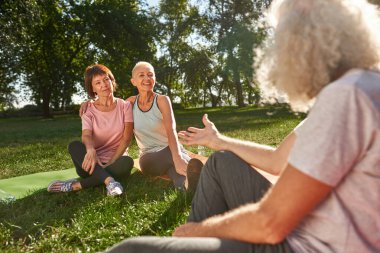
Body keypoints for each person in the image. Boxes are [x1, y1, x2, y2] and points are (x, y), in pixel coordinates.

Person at [104, 0, 380, 252]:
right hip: (312, 225)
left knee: (130, 249)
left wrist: (195, 231)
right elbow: (276, 161)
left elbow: (269, 223)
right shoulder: (362, 87)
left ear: (305, 43)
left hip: (304, 243)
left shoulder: (346, 97)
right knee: (220, 162)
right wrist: (218, 140)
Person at [80, 61, 204, 191]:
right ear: (133, 81)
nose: (147, 78)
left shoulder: (162, 100)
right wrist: (89, 102)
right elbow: (109, 104)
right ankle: (193, 169)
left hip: (173, 149)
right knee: (174, 159)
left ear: (154, 78)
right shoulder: (129, 104)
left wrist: (178, 157)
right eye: (141, 75)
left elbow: (171, 130)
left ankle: (185, 185)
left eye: (150, 75)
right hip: (149, 158)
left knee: (173, 167)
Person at [48, 64, 134, 196]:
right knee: (74, 146)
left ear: (112, 81)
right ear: (92, 88)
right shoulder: (88, 109)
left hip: (117, 161)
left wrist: (111, 162)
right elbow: (86, 135)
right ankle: (110, 181)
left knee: (127, 162)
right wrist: (90, 150)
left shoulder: (125, 106)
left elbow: (127, 138)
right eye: (98, 83)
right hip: (92, 163)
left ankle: (77, 185)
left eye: (106, 80)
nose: (104, 85)